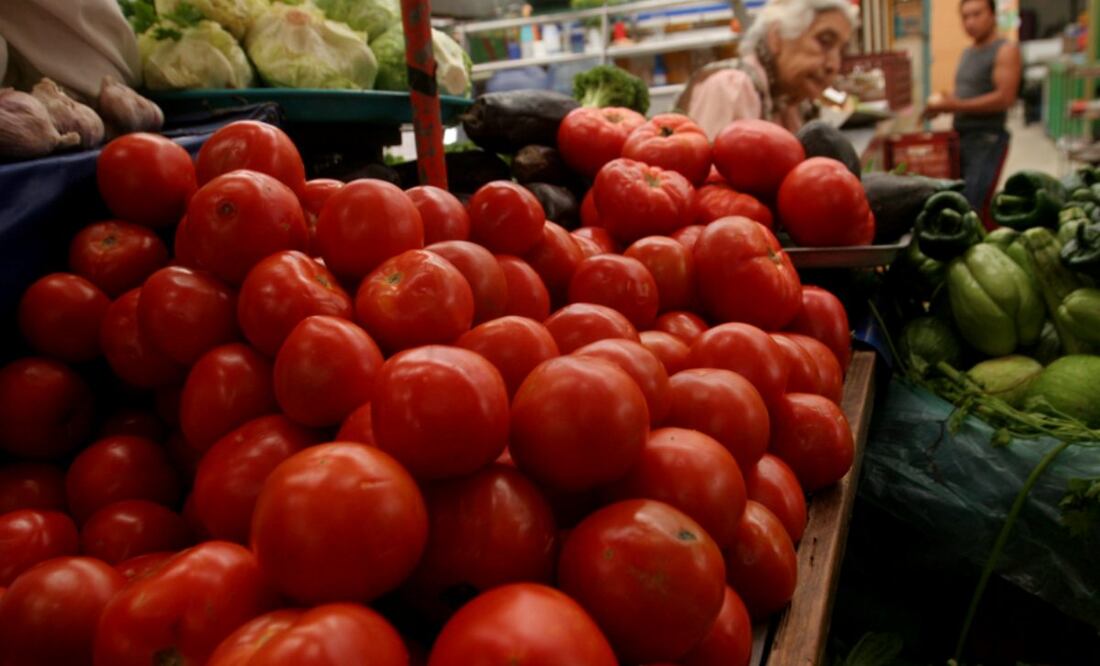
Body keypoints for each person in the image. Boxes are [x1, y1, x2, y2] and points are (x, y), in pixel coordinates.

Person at [675, 0, 859, 139]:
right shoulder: (732, 88)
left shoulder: (791, 104)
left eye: (842, 51)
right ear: (776, 37)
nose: (834, 65)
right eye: (825, 41)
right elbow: (714, 178)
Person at [924, 0, 1021, 216]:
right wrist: (941, 105)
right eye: (965, 17)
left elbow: (1005, 98)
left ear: (992, 15)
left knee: (971, 206)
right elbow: (965, 93)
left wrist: (955, 105)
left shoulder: (1005, 50)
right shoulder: (968, 52)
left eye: (977, 14)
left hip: (986, 139)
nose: (970, 22)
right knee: (958, 200)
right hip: (962, 137)